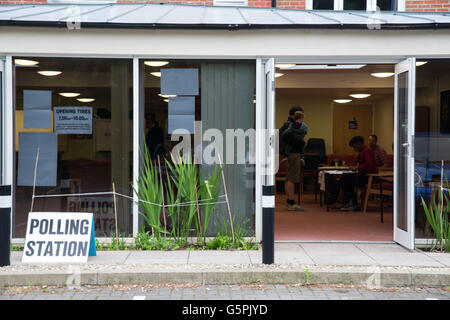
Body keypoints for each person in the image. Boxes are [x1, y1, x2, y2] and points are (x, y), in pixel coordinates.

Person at [339, 136, 377, 212]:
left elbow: (370, 165)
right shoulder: (363, 151)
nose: (354, 149)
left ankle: (353, 203)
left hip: (369, 177)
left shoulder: (367, 151)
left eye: (354, 146)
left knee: (345, 180)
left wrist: (358, 167)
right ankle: (352, 202)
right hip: (365, 175)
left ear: (359, 144)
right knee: (346, 178)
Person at [281, 110, 308, 211]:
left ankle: (289, 201)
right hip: (295, 154)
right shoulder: (297, 126)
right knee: (292, 178)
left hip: (289, 154)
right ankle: (291, 202)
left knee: (288, 178)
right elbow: (298, 140)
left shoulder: (287, 126)